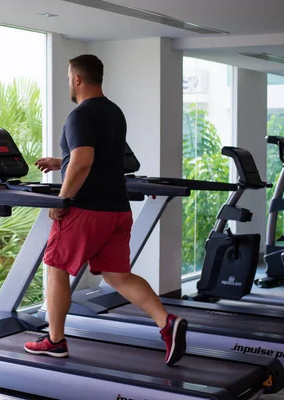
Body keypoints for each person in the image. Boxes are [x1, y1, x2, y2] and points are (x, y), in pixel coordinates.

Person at [23, 54, 187, 366]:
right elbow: (103, 158)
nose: (69, 82)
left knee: (56, 266)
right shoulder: (114, 112)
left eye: (69, 77)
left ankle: (55, 340)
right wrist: (61, 162)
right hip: (117, 209)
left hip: (87, 208)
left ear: (77, 79)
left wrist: (63, 199)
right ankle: (166, 323)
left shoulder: (80, 115)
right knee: (117, 275)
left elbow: (84, 161)